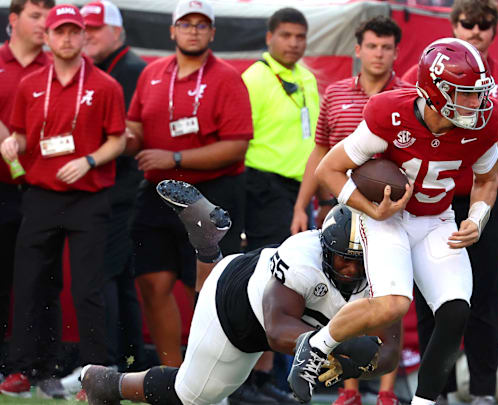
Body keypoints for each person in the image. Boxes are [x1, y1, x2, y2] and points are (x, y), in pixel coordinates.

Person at [288, 37, 498, 405]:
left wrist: (478, 217)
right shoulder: (390, 114)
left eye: (478, 93)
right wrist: (370, 209)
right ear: (435, 92)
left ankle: (423, 401)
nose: (477, 103)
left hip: (436, 218)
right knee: (393, 304)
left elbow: (487, 180)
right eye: (466, 94)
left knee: (456, 310)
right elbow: (330, 169)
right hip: (387, 218)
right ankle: (315, 344)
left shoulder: (486, 122)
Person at [80, 180, 402, 405]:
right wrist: (339, 343)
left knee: (200, 363)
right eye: (341, 257)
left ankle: (208, 247)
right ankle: (106, 383)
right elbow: (276, 332)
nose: (348, 268)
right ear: (324, 244)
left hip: (250, 275)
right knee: (191, 395)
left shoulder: (382, 275)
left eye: (357, 261)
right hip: (237, 312)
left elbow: (389, 353)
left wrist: (352, 366)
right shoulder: (304, 257)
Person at [402, 1, 498, 403]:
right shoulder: (419, 73)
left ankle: (482, 392)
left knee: (481, 299)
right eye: (467, 23)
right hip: (429, 199)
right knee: (430, 301)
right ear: (453, 24)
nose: (475, 31)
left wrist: (475, 143)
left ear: (496, 29)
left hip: (483, 196)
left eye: (484, 24)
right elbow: (402, 123)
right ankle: (436, 391)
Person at [0, 3, 126, 398]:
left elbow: (118, 139)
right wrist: (12, 143)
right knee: (30, 283)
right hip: (39, 196)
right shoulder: (30, 83)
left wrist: (88, 160)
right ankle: (22, 368)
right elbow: (21, 133)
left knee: (87, 288)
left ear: (84, 36)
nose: (68, 38)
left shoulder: (106, 85)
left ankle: (95, 375)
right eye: (60, 32)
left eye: (75, 32)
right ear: (49, 37)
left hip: (89, 198)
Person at [124, 0, 252, 368]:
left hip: (213, 193)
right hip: (158, 193)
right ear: (172, 30)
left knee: (208, 290)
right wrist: (126, 139)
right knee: (152, 282)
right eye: (186, 23)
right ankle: (170, 373)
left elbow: (237, 146)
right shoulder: (151, 73)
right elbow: (135, 126)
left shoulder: (227, 76)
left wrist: (175, 157)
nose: (193, 30)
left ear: (212, 32)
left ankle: (208, 372)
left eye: (201, 24)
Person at [290, 17, 410, 405]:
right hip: (341, 208)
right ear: (358, 50)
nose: (379, 54)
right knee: (344, 294)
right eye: (372, 46)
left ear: (395, 52)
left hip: (388, 210)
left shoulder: (407, 98)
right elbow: (321, 152)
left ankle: (387, 392)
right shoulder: (337, 93)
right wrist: (300, 204)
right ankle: (349, 388)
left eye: (386, 47)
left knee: (389, 295)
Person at [240, 8, 319, 401]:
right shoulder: (254, 77)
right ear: (269, 37)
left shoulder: (307, 77)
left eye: (300, 36)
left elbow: (316, 142)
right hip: (261, 186)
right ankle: (250, 379)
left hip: (298, 193)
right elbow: (241, 138)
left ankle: (267, 377)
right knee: (268, 281)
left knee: (290, 284)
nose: (293, 43)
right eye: (286, 35)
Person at [80, 0, 149, 376]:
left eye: (95, 28)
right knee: (118, 277)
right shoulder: (104, 66)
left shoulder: (131, 70)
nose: (86, 35)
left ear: (117, 31)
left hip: (120, 188)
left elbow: (126, 136)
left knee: (103, 274)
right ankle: (127, 358)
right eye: (83, 28)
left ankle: (102, 363)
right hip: (109, 186)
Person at [0, 0, 53, 385]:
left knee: (35, 280)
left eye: (50, 17)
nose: (45, 24)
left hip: (38, 191)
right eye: (36, 16)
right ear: (13, 20)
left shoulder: (58, 69)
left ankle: (28, 366)